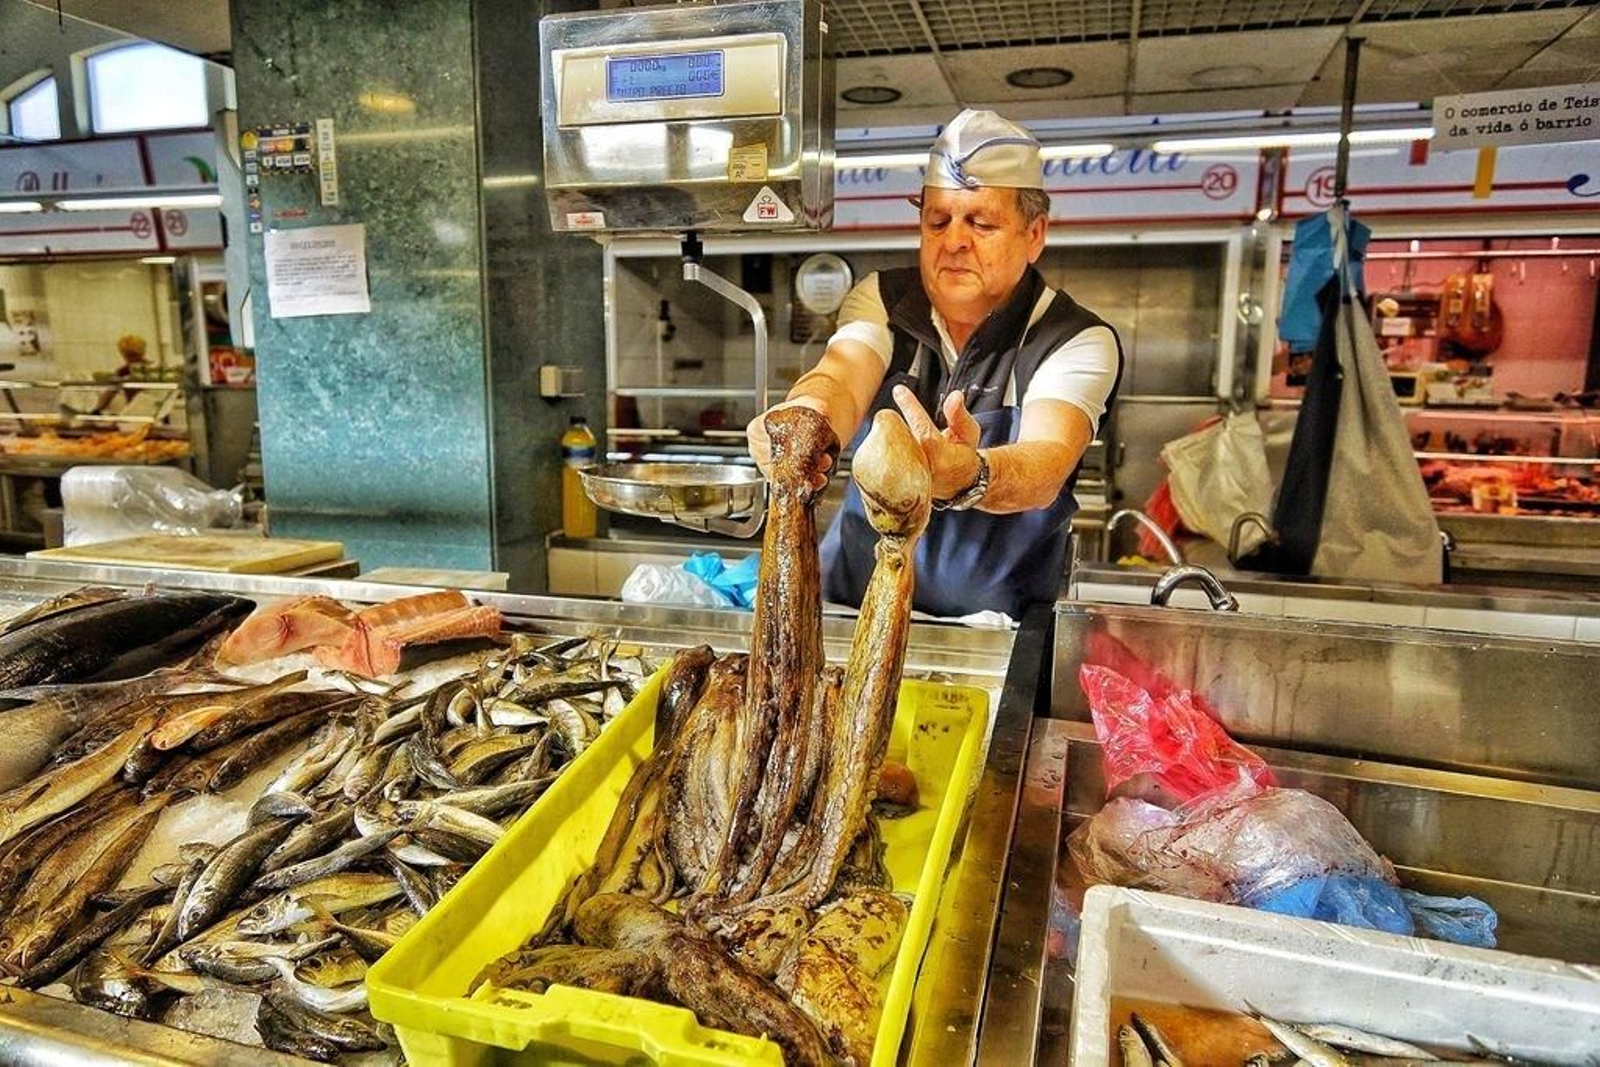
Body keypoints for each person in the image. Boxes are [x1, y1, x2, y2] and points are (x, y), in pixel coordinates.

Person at [748, 110, 1123, 618]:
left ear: (1034, 234)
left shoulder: (1074, 337)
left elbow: (1046, 463)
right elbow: (841, 374)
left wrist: (970, 474)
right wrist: (806, 417)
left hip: (994, 630)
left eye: (982, 223)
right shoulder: (882, 299)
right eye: (937, 221)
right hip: (850, 610)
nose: (953, 242)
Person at [92, 334, 150, 414]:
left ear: (142, 353)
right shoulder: (122, 372)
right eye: (127, 356)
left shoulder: (152, 369)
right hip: (134, 411)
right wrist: (96, 410)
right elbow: (109, 393)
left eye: (134, 355)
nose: (131, 359)